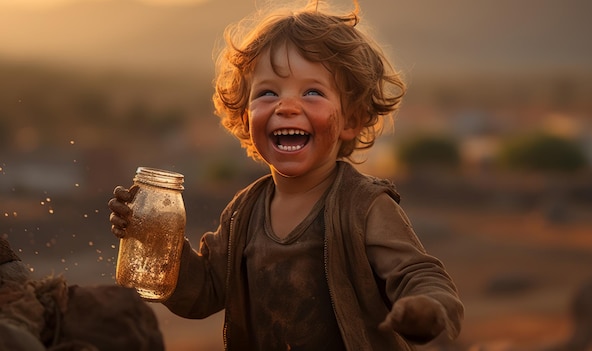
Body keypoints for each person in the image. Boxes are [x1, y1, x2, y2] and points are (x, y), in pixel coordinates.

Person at [108, 0, 464, 349]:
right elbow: (204, 292)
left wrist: (425, 309)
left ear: (352, 120)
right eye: (267, 93)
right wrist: (154, 238)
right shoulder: (243, 212)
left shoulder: (365, 206)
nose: (287, 106)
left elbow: (421, 276)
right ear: (246, 120)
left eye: (312, 92)